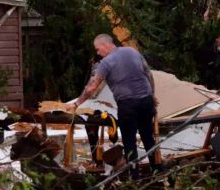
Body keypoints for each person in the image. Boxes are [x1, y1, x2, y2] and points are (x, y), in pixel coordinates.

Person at [66, 34, 158, 177]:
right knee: (148, 137)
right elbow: (148, 74)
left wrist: (77, 103)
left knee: (129, 142)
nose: (97, 53)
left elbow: (92, 87)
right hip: (146, 101)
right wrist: (152, 95)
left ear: (104, 45)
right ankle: (158, 171)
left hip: (128, 104)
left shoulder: (106, 62)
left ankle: (135, 178)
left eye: (97, 49)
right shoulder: (132, 52)